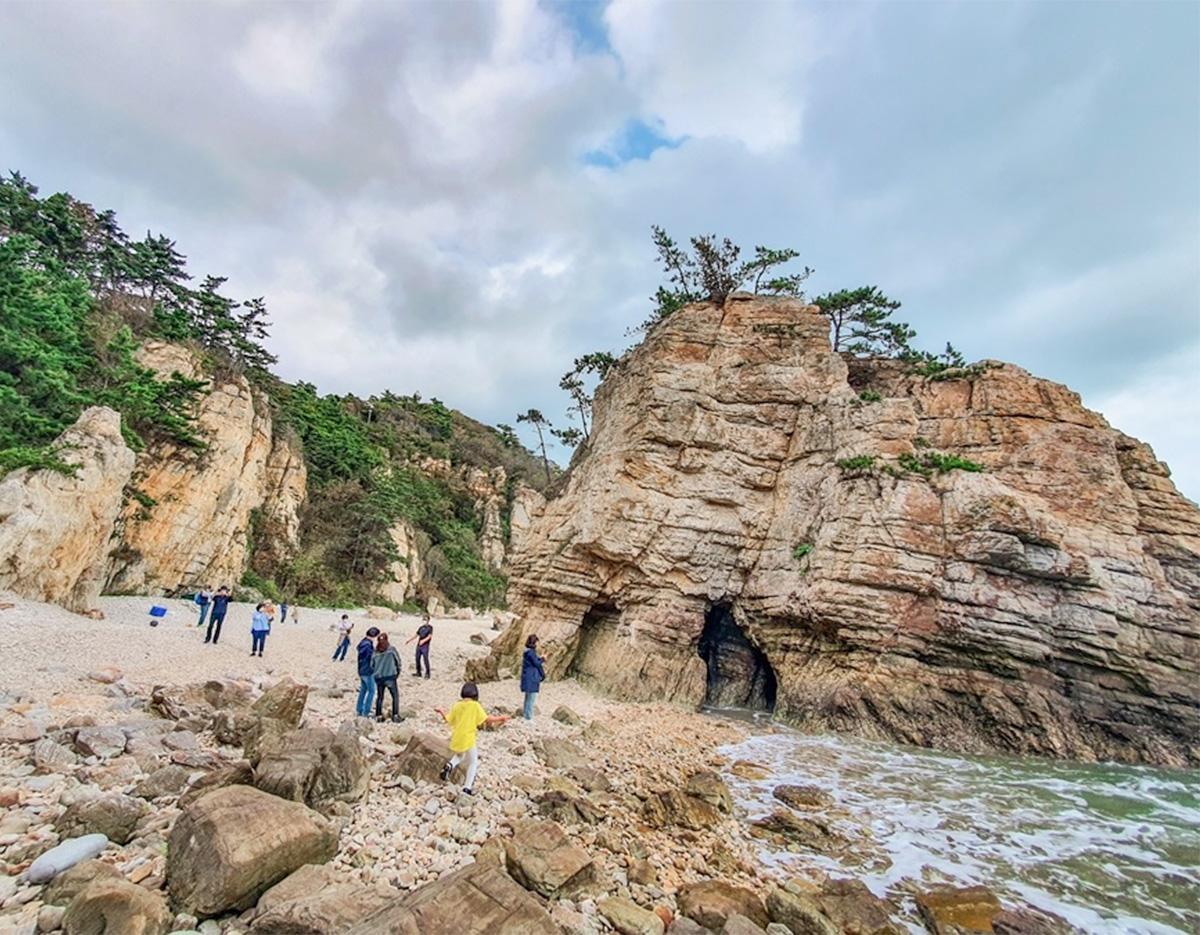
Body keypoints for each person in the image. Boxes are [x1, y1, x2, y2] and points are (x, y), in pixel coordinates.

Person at [436, 682, 508, 796]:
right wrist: (501, 718)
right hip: (468, 738)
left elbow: (449, 719)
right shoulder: (475, 705)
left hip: (457, 737)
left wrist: (441, 711)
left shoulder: (457, 705)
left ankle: (449, 765)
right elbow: (487, 719)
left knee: (460, 755)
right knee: (473, 762)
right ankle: (467, 787)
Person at [371, 632, 401, 722]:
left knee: (380, 697)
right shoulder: (391, 650)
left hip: (379, 677)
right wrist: (397, 672)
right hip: (390, 676)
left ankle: (378, 715)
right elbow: (398, 661)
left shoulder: (375, 652)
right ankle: (395, 715)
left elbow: (372, 664)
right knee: (395, 696)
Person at [356, 626, 380, 717]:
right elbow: (370, 657)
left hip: (361, 669)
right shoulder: (368, 645)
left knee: (363, 690)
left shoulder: (362, 642)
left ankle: (359, 709)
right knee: (371, 691)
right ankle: (366, 711)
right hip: (368, 671)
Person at [520, 634, 546, 720]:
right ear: (534, 642)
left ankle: (526, 715)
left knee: (528, 697)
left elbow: (534, 661)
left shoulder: (527, 652)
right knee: (531, 698)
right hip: (531, 677)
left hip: (528, 676)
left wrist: (540, 658)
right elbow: (536, 663)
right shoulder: (531, 653)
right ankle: (528, 717)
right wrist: (543, 659)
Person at [407, 613, 433, 678]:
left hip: (425, 646)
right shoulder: (421, 628)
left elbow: (429, 636)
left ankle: (428, 673)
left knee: (425, 659)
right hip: (419, 645)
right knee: (417, 658)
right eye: (423, 619)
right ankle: (418, 672)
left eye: (425, 619)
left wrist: (423, 641)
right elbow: (416, 635)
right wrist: (409, 640)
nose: (424, 620)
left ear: (428, 620)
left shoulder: (430, 628)